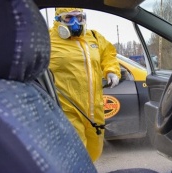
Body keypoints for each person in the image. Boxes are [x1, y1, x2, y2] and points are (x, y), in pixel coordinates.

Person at [49, 8, 121, 162]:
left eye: (79, 17)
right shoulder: (47, 39)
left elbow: (108, 54)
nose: (75, 22)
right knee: (75, 157)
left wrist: (111, 70)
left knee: (93, 154)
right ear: (58, 19)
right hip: (67, 110)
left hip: (95, 111)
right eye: (69, 17)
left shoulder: (94, 36)